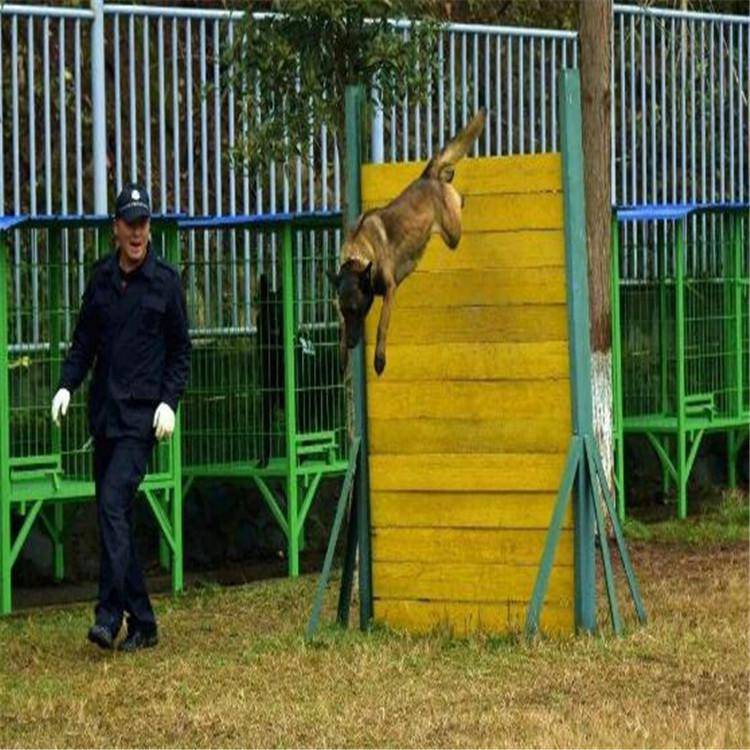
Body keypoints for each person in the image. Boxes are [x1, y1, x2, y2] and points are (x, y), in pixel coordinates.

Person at [50, 184, 191, 652]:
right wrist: (67, 385)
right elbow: (83, 342)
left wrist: (169, 402)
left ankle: (108, 617)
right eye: (129, 223)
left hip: (140, 421)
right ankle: (145, 622)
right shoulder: (101, 280)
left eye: (143, 223)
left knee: (112, 505)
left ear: (150, 227)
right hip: (104, 417)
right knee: (117, 521)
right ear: (115, 228)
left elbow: (180, 352)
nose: (137, 232)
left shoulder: (165, 282)